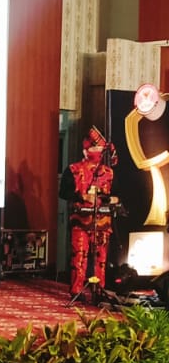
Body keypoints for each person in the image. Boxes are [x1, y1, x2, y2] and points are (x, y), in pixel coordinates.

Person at [59, 126, 119, 302]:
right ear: (85, 150)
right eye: (92, 148)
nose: (95, 152)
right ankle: (76, 290)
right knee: (79, 256)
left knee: (101, 259)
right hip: (80, 220)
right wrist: (81, 196)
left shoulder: (109, 173)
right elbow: (63, 193)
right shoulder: (73, 169)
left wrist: (110, 199)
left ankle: (99, 290)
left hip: (103, 221)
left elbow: (116, 195)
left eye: (98, 148)